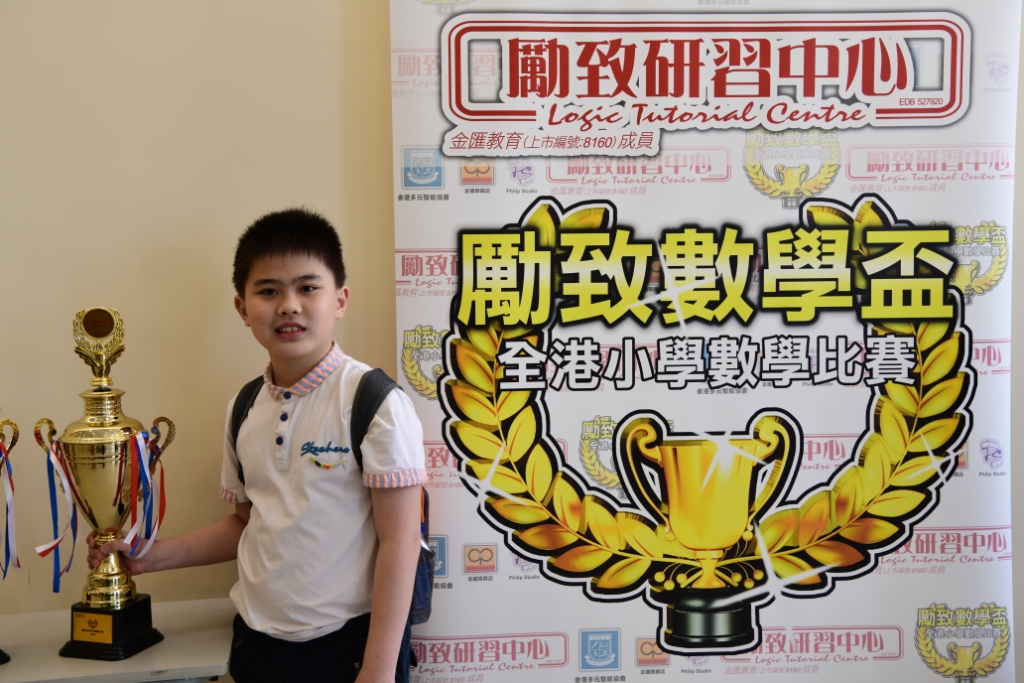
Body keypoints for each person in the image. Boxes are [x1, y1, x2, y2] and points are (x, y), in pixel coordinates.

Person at [89, 208, 426, 683]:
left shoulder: (374, 401)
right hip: (255, 645)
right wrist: (148, 555)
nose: (288, 305)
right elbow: (248, 523)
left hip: (349, 649)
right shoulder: (243, 407)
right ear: (243, 309)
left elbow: (400, 541)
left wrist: (378, 670)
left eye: (308, 287)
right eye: (268, 291)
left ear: (340, 300)